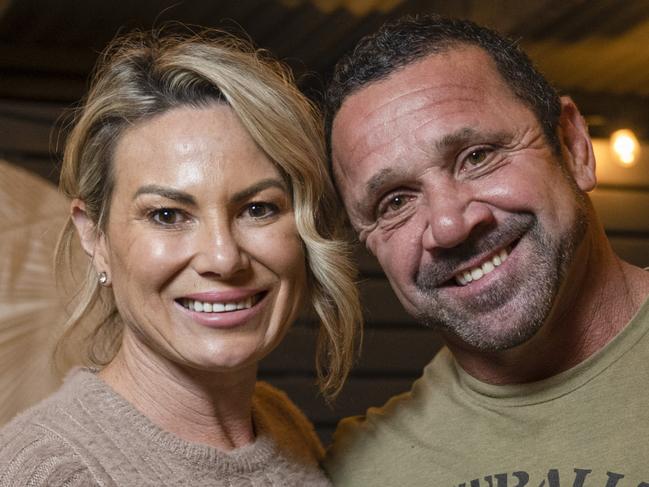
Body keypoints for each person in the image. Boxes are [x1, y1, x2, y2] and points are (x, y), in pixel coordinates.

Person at [0, 29, 362, 486]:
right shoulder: (53, 472)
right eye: (168, 214)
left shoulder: (277, 423)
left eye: (257, 209)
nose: (223, 257)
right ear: (94, 237)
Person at [323, 14, 649, 486]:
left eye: (477, 156)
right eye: (395, 201)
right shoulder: (362, 472)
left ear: (573, 146)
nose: (450, 225)